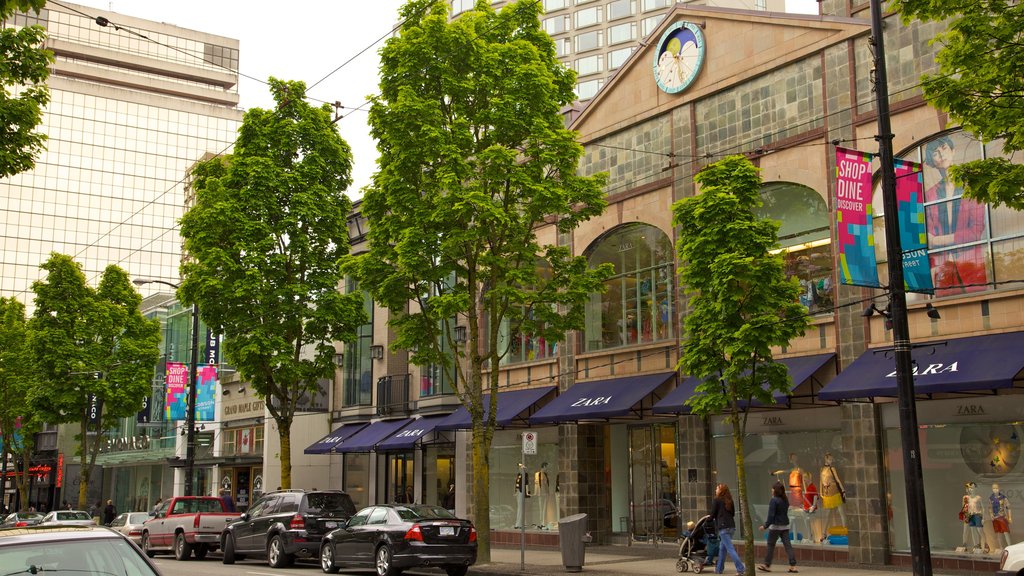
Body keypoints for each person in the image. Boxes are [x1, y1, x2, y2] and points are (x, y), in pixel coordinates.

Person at [923, 135, 988, 295]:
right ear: (932, 161)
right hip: (943, 267)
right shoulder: (930, 195)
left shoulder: (971, 186)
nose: (942, 154)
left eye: (944, 148)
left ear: (953, 150)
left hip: (971, 265)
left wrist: (939, 240)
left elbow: (976, 231)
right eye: (936, 153)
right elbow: (928, 235)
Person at [758, 482, 797, 573]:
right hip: (785, 526)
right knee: (788, 546)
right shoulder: (785, 500)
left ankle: (767, 565)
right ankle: (793, 565)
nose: (771, 490)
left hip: (775, 527)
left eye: (772, 489)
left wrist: (765, 526)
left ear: (775, 490)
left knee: (770, 545)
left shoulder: (774, 500)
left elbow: (771, 515)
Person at [710, 483, 745, 575]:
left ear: (721, 491)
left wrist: (707, 519)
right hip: (731, 527)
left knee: (730, 549)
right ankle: (719, 570)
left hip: (723, 527)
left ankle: (740, 568)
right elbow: (732, 513)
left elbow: (712, 514)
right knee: (722, 549)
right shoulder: (729, 500)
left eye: (717, 489)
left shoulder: (717, 500)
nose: (715, 490)